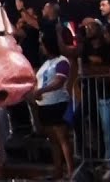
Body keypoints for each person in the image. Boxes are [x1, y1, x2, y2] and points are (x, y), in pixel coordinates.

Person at [34, 32, 74, 179]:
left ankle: (71, 171)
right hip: (44, 104)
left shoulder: (61, 61)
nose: (41, 47)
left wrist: (42, 90)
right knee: (53, 140)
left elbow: (59, 81)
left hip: (57, 102)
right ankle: (58, 170)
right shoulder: (45, 64)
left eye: (42, 44)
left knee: (62, 137)